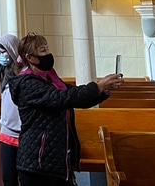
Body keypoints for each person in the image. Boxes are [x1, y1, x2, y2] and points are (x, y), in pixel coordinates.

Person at [8, 32, 123, 186]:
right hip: (37, 162)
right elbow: (63, 98)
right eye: (43, 50)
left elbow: (74, 98)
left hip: (56, 159)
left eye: (47, 48)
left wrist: (103, 91)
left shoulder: (50, 79)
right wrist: (98, 86)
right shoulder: (27, 84)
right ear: (30, 58)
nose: (48, 54)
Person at [0, 34, 21, 186]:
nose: (1, 56)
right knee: (8, 177)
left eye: (3, 51)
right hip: (7, 132)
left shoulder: (23, 74)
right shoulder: (3, 73)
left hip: (22, 132)